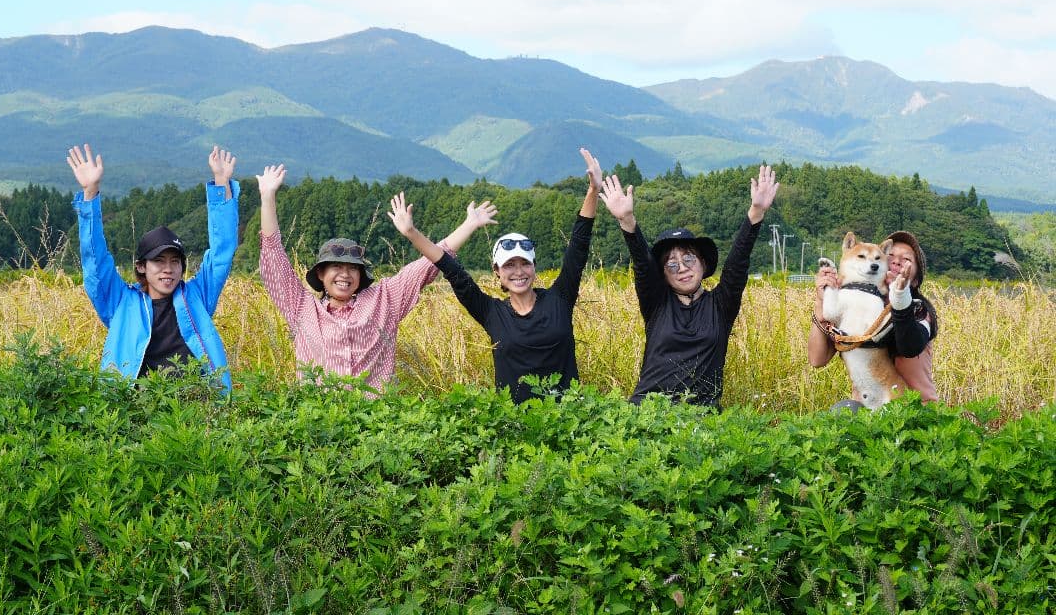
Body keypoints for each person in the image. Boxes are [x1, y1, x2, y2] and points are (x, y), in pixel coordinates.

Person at [256, 163, 498, 395]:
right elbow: (273, 257)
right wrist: (267, 198)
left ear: (361, 274)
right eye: (336, 267)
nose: (344, 274)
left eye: (353, 268)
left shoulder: (384, 300)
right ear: (320, 273)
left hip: (375, 423)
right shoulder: (301, 308)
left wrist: (468, 225)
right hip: (320, 425)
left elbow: (428, 264)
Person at [394, 149, 603, 404]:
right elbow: (450, 269)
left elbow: (578, 249)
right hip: (512, 427)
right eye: (509, 265)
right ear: (497, 272)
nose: (518, 272)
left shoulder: (559, 299)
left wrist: (593, 191)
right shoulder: (491, 312)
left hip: (568, 421)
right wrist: (412, 232)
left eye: (524, 264)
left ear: (534, 267)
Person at [599, 164, 779, 407]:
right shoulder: (657, 305)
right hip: (648, 412)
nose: (682, 268)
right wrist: (627, 221)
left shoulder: (721, 306)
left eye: (688, 259)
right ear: (662, 274)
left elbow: (737, 265)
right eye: (671, 264)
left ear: (703, 264)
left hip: (701, 420)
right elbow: (642, 264)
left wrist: (755, 213)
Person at [67, 143, 240, 392]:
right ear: (141, 267)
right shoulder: (121, 303)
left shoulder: (196, 297)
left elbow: (222, 253)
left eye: (175, 262)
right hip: (136, 412)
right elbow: (95, 262)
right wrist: (90, 192)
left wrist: (221, 182)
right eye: (158, 261)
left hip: (196, 410)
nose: (167, 269)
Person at [808, 230, 939, 403]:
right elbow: (817, 359)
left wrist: (900, 299)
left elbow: (910, 346)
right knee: (844, 409)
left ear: (915, 280)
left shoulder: (919, 311)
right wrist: (821, 300)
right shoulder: (852, 303)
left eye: (906, 259)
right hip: (867, 406)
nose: (896, 262)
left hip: (913, 410)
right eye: (889, 256)